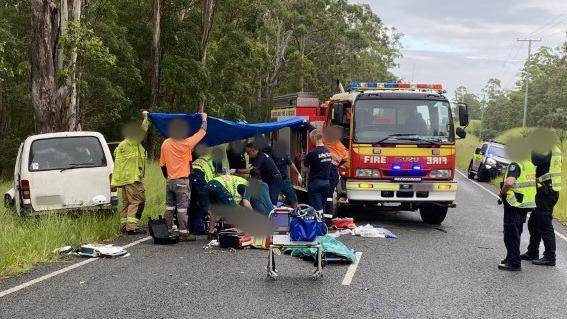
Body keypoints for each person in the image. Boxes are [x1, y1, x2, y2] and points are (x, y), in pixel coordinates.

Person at [160, 113, 207, 241]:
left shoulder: (165, 143)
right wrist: (204, 119)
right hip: (182, 181)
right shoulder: (186, 143)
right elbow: (202, 132)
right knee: (182, 208)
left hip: (170, 181)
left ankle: (167, 230)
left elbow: (162, 165)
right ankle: (184, 233)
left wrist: (169, 177)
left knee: (169, 207)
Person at [521, 144, 562, 266]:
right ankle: (532, 251)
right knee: (534, 222)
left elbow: (536, 160)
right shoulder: (553, 148)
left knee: (544, 224)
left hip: (547, 192)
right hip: (546, 190)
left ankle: (550, 256)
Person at [498, 147, 537, 271]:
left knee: (510, 234)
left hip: (514, 203)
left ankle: (514, 262)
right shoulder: (530, 164)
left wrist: (502, 193)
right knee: (517, 232)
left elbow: (509, 182)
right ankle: (510, 257)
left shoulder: (516, 164)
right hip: (525, 204)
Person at [111, 111, 150, 235]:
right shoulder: (131, 142)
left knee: (127, 203)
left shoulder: (121, 146)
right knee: (137, 200)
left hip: (123, 179)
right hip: (132, 178)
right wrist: (146, 119)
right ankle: (132, 226)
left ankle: (124, 225)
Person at [303, 129, 333, 223]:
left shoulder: (312, 153)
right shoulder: (328, 152)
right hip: (326, 182)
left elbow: (305, 169)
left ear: (313, 138)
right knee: (322, 207)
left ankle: (320, 229)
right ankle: (322, 226)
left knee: (316, 208)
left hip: (315, 183)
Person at [189, 143, 218, 235]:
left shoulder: (202, 158)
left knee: (192, 202)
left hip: (189, 177)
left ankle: (191, 227)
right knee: (202, 203)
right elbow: (219, 175)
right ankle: (199, 228)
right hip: (199, 179)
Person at [323, 125, 348, 217]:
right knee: (328, 196)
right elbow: (345, 158)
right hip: (334, 172)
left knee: (325, 197)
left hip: (327, 171)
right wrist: (337, 165)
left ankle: (323, 220)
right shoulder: (341, 146)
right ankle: (327, 219)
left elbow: (315, 138)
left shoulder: (325, 141)